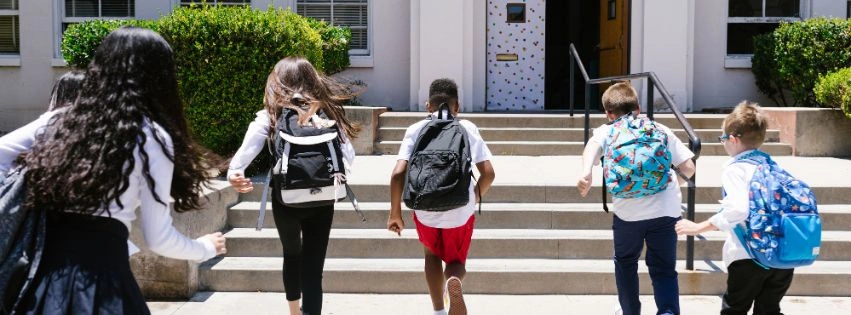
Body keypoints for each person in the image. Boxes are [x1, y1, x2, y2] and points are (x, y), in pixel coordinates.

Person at [0, 26, 226, 315]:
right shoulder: (150, 137)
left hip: (43, 287)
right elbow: (158, 238)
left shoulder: (56, 121)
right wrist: (204, 248)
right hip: (106, 289)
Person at [227, 56, 360, 315]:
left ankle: (293, 312)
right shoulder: (327, 113)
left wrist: (235, 172)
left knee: (292, 255)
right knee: (313, 267)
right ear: (312, 79)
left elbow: (249, 146)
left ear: (278, 82)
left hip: (286, 199)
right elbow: (349, 158)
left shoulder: (271, 116)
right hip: (323, 198)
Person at [576, 82, 695, 315]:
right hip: (666, 212)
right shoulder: (658, 128)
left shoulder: (607, 130)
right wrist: (668, 183)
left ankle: (630, 311)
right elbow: (688, 167)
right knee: (664, 269)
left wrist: (586, 172)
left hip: (628, 214)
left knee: (626, 263)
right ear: (638, 108)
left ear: (608, 113)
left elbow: (591, 147)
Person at [387, 78, 496, 315]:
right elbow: (488, 173)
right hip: (460, 208)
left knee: (431, 255)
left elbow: (397, 174)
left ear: (428, 106)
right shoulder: (467, 128)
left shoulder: (415, 130)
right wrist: (473, 197)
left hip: (425, 207)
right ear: (457, 106)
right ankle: (452, 281)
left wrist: (395, 214)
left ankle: (438, 311)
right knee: (456, 262)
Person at [676, 102, 795, 315]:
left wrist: (697, 228)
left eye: (723, 138)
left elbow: (738, 209)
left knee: (734, 310)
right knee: (769, 310)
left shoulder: (736, 169)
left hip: (748, 256)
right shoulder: (772, 166)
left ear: (732, 139)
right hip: (782, 256)